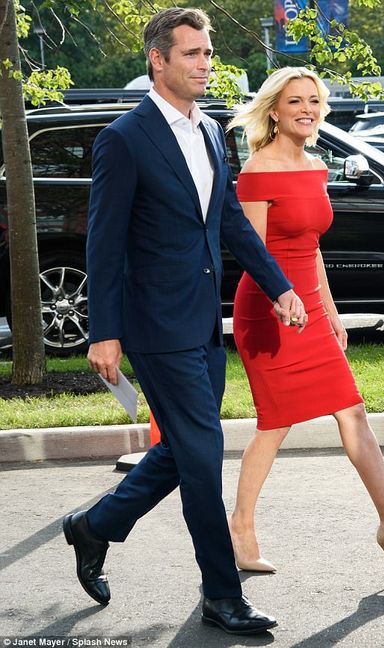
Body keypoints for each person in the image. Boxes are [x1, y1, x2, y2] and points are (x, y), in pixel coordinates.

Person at [62, 9, 308, 636]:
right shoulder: (125, 137)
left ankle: (94, 527)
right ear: (159, 60)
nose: (205, 64)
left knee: (182, 450)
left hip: (202, 322)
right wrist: (104, 330)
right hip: (154, 327)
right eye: (193, 54)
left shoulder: (208, 134)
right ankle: (222, 595)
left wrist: (279, 286)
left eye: (207, 53)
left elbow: (225, 220)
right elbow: (104, 243)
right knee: (202, 455)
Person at [227, 67, 384, 574]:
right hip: (270, 310)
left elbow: (313, 248)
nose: (307, 108)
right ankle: (241, 525)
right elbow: (254, 254)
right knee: (276, 424)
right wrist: (286, 301)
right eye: (295, 101)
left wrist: (330, 311)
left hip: (310, 305)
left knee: (353, 412)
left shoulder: (315, 164)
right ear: (274, 112)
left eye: (313, 100)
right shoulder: (258, 170)